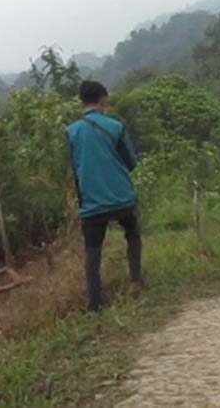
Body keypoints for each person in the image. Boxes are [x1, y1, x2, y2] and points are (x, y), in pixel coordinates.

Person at [66, 80, 142, 311]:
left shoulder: (71, 132)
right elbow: (131, 161)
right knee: (132, 233)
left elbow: (75, 167)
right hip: (121, 198)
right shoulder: (115, 127)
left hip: (91, 204)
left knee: (92, 250)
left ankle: (94, 301)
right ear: (102, 99)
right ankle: (136, 281)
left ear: (82, 101)